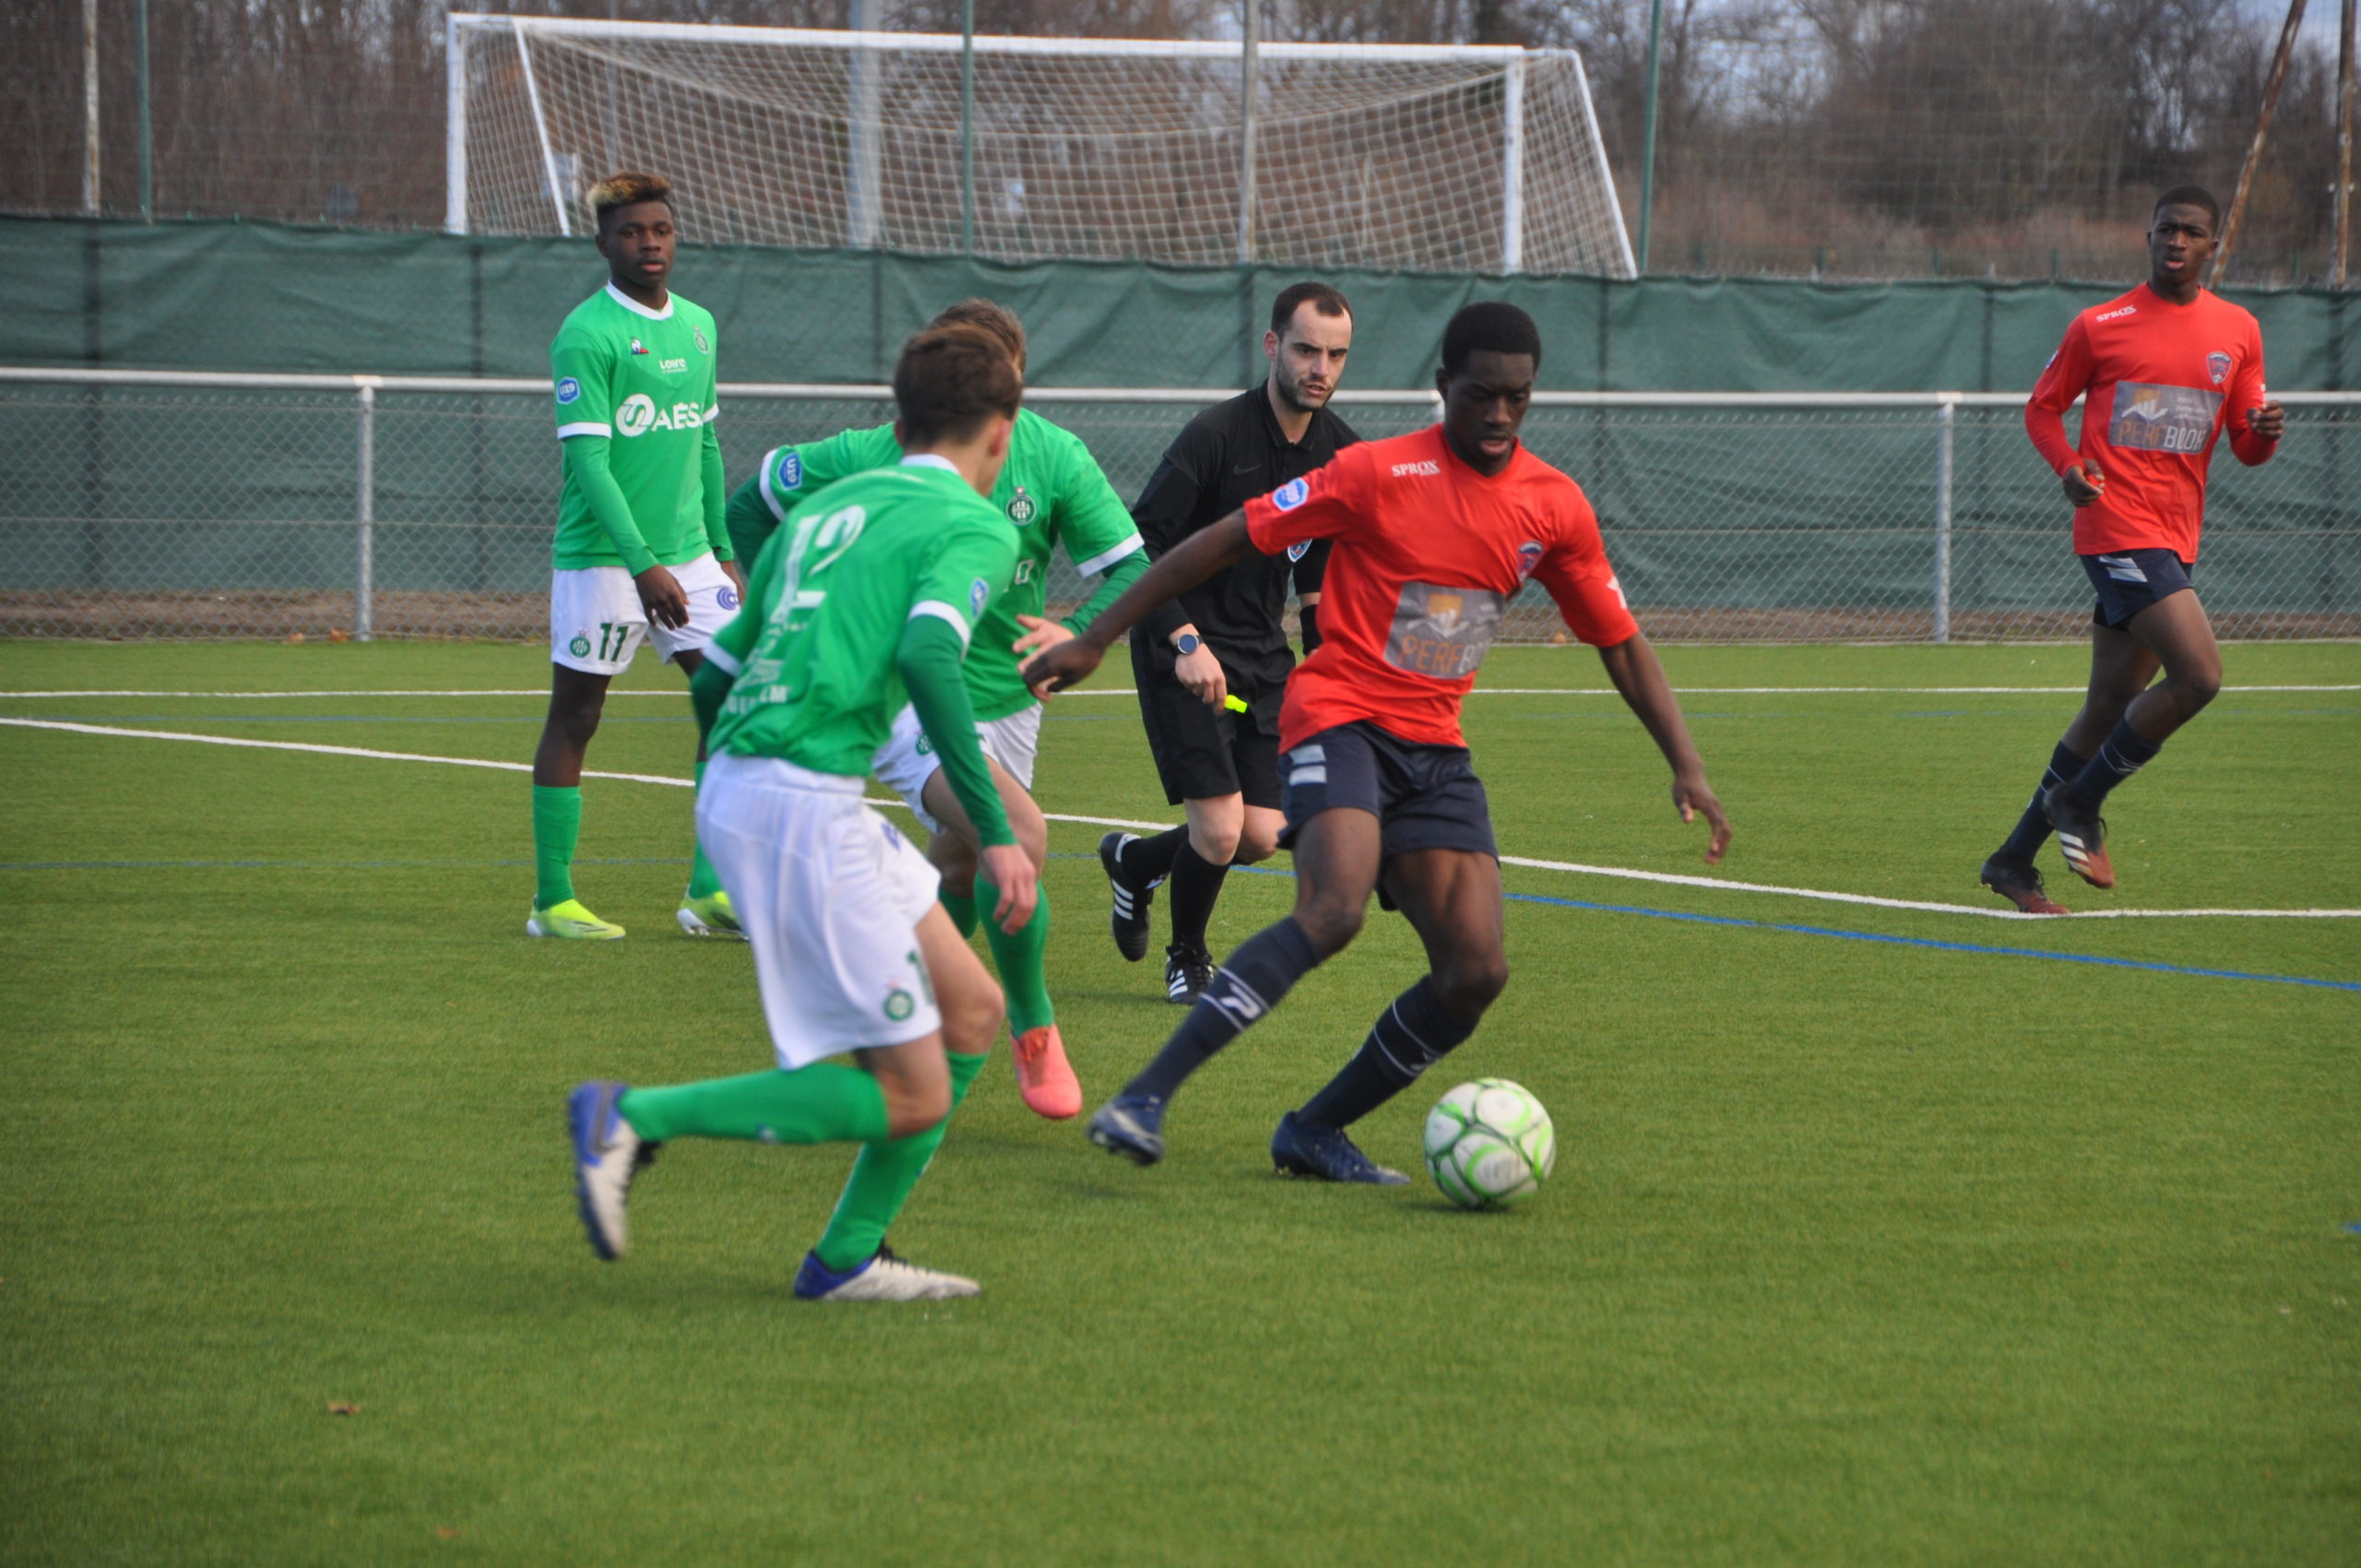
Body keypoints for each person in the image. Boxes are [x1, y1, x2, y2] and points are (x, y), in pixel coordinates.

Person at [1023, 303, 1732, 1182]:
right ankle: (1144, 1097)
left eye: (1517, 398)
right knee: (1334, 908)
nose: (1499, 414)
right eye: (1481, 394)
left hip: (1435, 749)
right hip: (1340, 714)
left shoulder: (1554, 506)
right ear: (1444, 386)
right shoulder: (1373, 471)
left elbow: (1618, 639)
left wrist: (1686, 763)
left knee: (1475, 969)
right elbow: (1219, 541)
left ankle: (1313, 1131)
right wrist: (1097, 636)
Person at [567, 324, 1038, 1301]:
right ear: (1002, 434)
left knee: (971, 1010)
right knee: (911, 1091)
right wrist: (994, 833)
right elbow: (928, 653)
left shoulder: (822, 512)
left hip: (771, 789)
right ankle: (632, 1117)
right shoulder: (974, 525)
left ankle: (847, 1259)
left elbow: (717, 673)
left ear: (898, 426)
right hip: (800, 805)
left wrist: (736, 781)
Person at [716, 300, 1148, 1120]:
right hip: (909, 699)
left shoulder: (1053, 455)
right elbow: (751, 505)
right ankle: (1033, 1025)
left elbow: (1131, 565)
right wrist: (778, 603)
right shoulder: (877, 454)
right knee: (1014, 835)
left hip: (1010, 695)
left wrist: (1081, 630)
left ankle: (920, 1010)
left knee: (958, 864)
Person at [1979, 185, 2283, 912]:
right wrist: (2068, 468)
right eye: (2166, 229)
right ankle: (2079, 802)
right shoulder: (2100, 325)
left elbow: (2245, 448)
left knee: (2108, 706)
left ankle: (2012, 861)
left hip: (2175, 538)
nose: (2176, 240)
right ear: (2148, 237)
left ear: (2212, 247)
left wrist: (2263, 434)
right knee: (2200, 676)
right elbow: (2043, 408)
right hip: (2116, 526)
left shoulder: (2238, 330)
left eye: (2192, 232)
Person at [1100, 281, 1358, 1005]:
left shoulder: (1343, 454)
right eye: (1306, 350)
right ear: (1273, 346)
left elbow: (1319, 573)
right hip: (1181, 646)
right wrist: (1184, 641)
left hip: (1260, 656)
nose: (1321, 369)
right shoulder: (1215, 436)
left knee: (1259, 834)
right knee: (1217, 830)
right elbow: (1139, 547)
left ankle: (1135, 864)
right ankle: (1187, 956)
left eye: (1337, 355)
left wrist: (1329, 669)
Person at [528, 172, 745, 942]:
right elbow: (591, 466)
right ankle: (553, 902)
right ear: (602, 244)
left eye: (660, 230)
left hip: (689, 556)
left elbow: (706, 441)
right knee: (578, 715)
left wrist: (721, 548)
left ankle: (708, 893)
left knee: (735, 699)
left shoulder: (699, 326)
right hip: (605, 559)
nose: (648, 244)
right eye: (630, 233)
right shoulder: (586, 335)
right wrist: (643, 564)